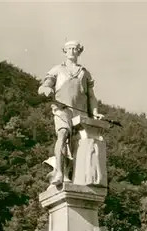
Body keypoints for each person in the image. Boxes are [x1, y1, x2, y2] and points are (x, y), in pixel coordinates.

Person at [38, 40, 104, 185]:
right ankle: (59, 173)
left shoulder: (84, 73)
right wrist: (46, 89)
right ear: (65, 51)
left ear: (79, 51)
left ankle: (72, 175)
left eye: (75, 49)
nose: (72, 51)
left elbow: (91, 96)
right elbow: (46, 84)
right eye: (69, 49)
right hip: (62, 109)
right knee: (62, 134)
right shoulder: (57, 69)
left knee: (78, 145)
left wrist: (95, 112)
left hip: (80, 114)